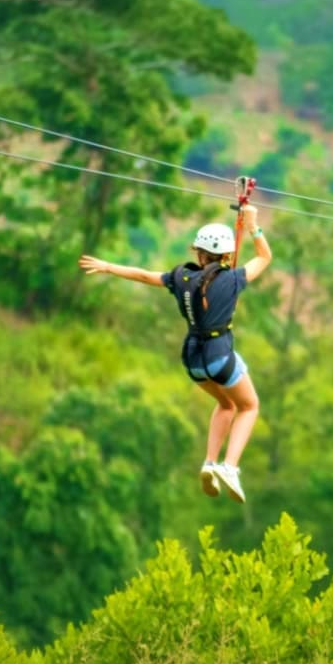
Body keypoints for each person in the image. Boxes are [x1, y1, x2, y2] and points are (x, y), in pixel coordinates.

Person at [77, 206, 272, 503]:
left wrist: (107, 266)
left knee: (225, 404)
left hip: (193, 360)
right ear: (226, 256)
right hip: (219, 355)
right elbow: (264, 258)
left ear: (199, 253)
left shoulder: (181, 277)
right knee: (249, 406)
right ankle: (229, 467)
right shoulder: (233, 280)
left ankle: (209, 462)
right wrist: (254, 227)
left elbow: (143, 276)